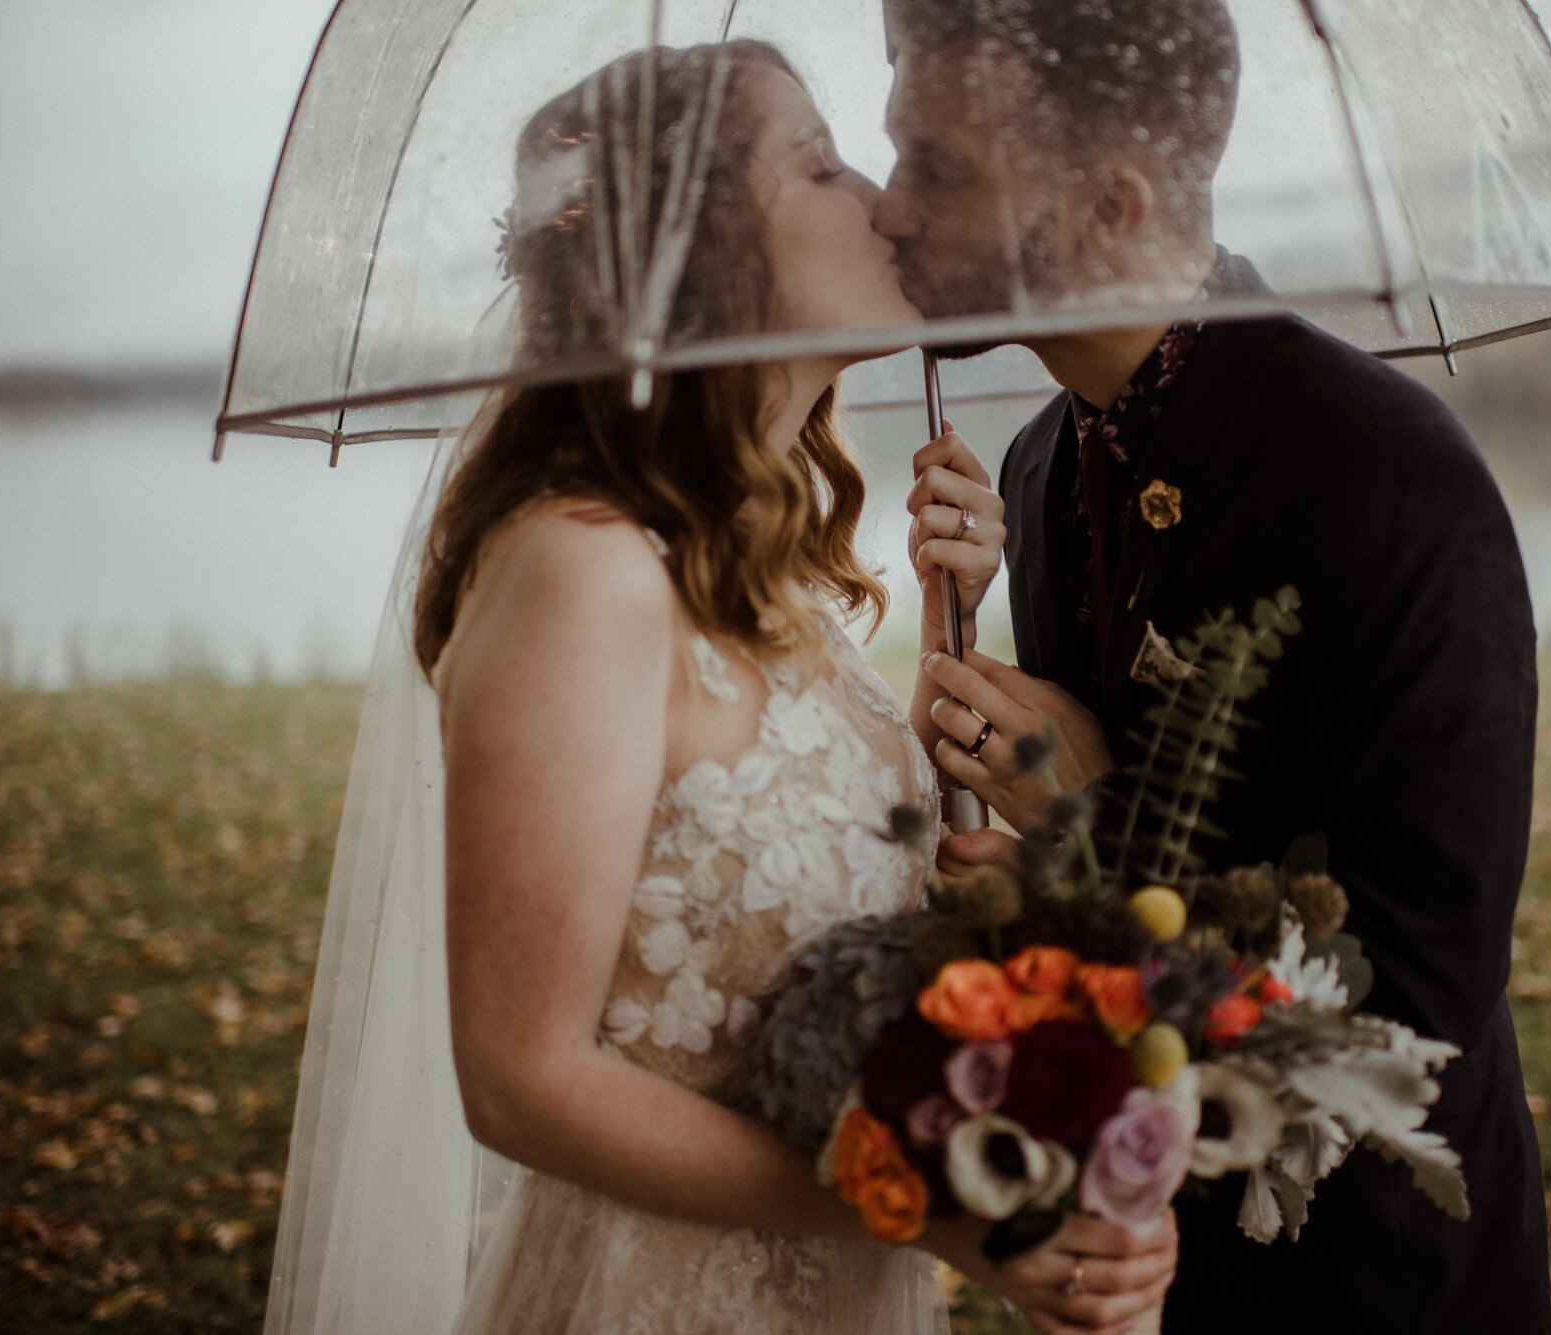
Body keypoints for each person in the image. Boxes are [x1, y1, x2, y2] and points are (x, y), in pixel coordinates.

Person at [258, 37, 1180, 1335]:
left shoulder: (763, 563)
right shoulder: (585, 572)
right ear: (696, 253)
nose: (877, 196)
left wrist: (943, 622)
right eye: (816, 163)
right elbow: (522, 1080)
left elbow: (789, 869)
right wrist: (932, 1208)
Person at [877, 2, 1551, 1332]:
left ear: (1115, 204)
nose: (891, 209)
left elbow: (1412, 1011)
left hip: (1374, 1280)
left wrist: (1093, 815)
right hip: (1144, 1266)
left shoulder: (1389, 480)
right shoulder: (1037, 467)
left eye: (939, 168)